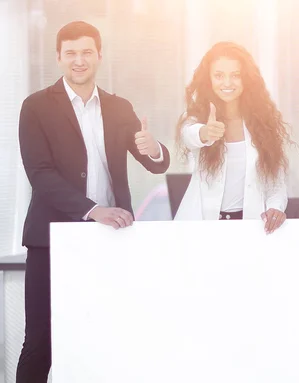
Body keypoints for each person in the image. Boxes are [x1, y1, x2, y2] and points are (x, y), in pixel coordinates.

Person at [16, 21, 170, 382]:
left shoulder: (119, 107)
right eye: (71, 53)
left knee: (108, 335)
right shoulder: (35, 106)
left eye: (87, 52)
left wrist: (156, 148)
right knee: (41, 341)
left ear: (99, 56)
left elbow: (153, 160)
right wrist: (93, 211)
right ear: (58, 58)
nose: (79, 61)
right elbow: (40, 174)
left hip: (112, 239)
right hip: (51, 240)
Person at [174, 42, 290, 234]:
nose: (227, 83)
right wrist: (205, 133)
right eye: (219, 76)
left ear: (246, 79)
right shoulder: (197, 117)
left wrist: (275, 208)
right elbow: (188, 134)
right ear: (208, 79)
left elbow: (275, 183)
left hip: (250, 226)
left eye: (235, 75)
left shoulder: (263, 124)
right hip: (203, 227)